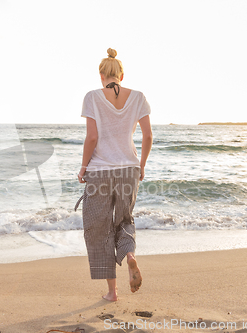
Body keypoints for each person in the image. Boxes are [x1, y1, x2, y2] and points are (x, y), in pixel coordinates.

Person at [76, 48, 153, 301]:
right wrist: (140, 165)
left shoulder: (92, 97)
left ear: (101, 75)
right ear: (122, 74)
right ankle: (130, 256)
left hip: (99, 172)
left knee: (100, 229)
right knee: (125, 220)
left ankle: (112, 292)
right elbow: (148, 136)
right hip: (129, 169)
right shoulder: (139, 97)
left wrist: (84, 166)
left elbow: (92, 137)